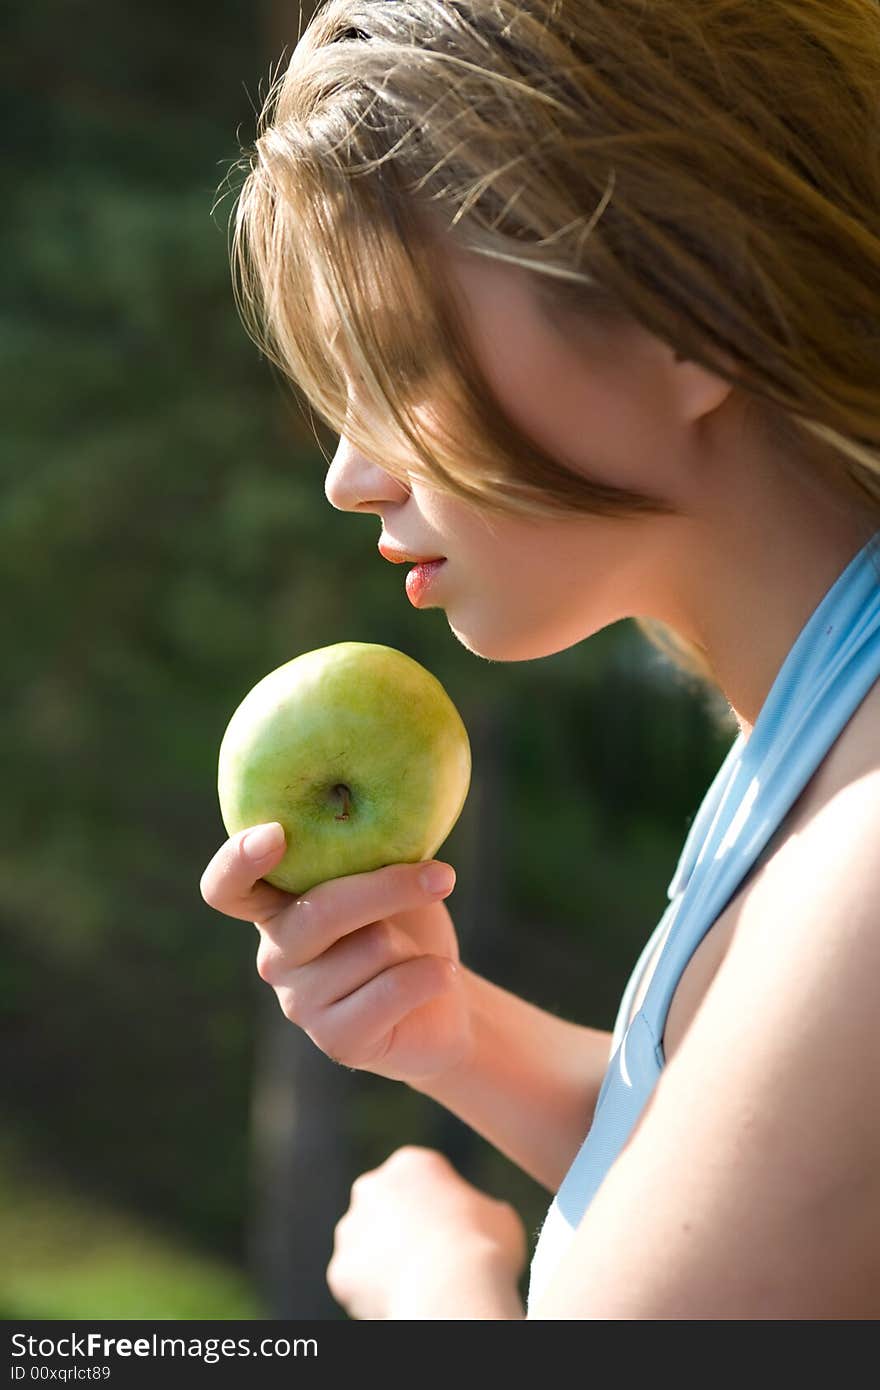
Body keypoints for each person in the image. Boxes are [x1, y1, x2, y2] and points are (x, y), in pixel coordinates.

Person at [201, 1, 880, 1317]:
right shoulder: (812, 747)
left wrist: (437, 1283)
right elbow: (765, 1216)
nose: (348, 474)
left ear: (692, 296)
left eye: (395, 354)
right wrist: (451, 1033)